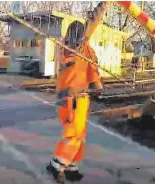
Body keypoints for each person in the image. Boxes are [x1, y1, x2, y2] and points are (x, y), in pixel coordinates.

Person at [46, 2, 108, 183]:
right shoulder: (80, 48)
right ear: (82, 35)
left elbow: (90, 69)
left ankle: (71, 166)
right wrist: (104, 5)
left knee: (74, 134)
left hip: (68, 99)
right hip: (75, 99)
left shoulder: (64, 48)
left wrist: (97, 89)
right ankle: (57, 164)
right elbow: (94, 21)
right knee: (74, 135)